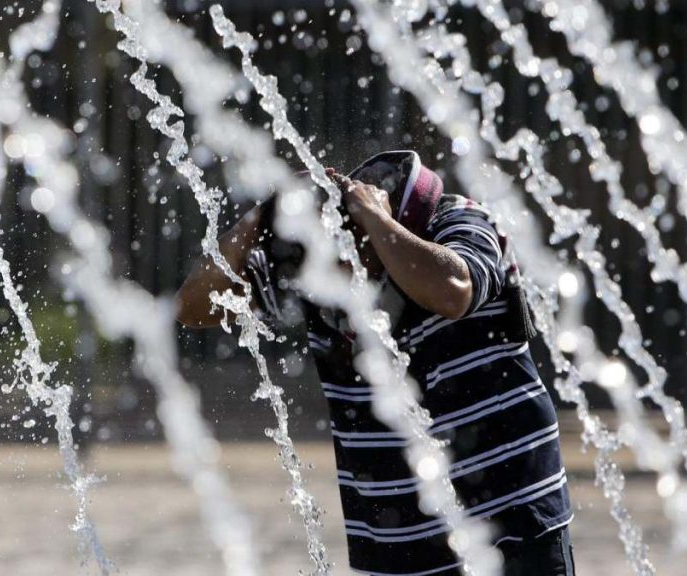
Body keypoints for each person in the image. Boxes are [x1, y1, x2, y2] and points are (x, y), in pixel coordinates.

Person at [176, 150, 575, 576]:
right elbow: (194, 306)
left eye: (356, 257)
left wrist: (376, 221)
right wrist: (257, 220)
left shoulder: (460, 223)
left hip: (512, 525)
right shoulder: (321, 268)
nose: (346, 278)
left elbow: (453, 290)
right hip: (398, 545)